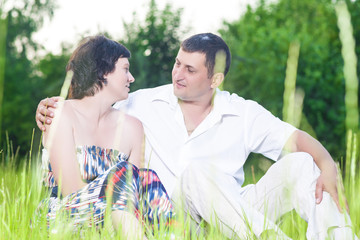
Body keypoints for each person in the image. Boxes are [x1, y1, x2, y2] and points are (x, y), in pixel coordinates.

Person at [36, 33, 358, 239]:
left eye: (190, 70)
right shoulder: (142, 102)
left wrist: (328, 164)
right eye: (177, 64)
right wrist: (48, 107)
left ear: (215, 78)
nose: (177, 74)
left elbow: (297, 139)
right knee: (194, 174)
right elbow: (91, 99)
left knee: (302, 163)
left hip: (234, 214)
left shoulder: (241, 112)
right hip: (176, 221)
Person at [35, 35, 173, 239]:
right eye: (125, 69)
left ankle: (171, 235)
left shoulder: (133, 127)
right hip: (63, 218)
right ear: (103, 71)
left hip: (120, 223)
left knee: (147, 178)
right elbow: (69, 189)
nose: (131, 77)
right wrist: (115, 204)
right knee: (123, 173)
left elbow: (137, 193)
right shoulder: (61, 113)